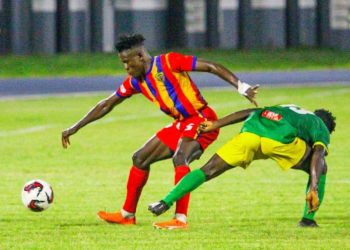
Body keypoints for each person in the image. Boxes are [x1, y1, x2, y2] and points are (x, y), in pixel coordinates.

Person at [61, 34, 259, 229]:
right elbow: (106, 105)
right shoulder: (135, 81)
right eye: (123, 64)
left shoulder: (169, 62)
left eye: (127, 63)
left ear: (140, 56)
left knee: (180, 158)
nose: (126, 68)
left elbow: (210, 66)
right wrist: (75, 127)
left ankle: (180, 219)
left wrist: (241, 86)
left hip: (202, 119)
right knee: (140, 158)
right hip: (180, 123)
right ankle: (127, 215)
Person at [148, 104, 336, 227]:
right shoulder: (320, 125)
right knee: (322, 167)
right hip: (279, 141)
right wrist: (314, 185)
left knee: (207, 170)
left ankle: (164, 201)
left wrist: (216, 124)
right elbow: (318, 153)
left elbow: (249, 112)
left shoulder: (286, 108)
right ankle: (307, 220)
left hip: (249, 135)